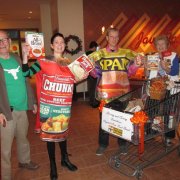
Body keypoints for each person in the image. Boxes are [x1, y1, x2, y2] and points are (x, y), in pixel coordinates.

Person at [22, 33, 92, 180]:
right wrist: (24, 57)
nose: (60, 44)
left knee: (62, 134)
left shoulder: (67, 63)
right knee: (50, 137)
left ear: (64, 46)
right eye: (56, 42)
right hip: (49, 107)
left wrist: (81, 77)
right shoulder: (43, 61)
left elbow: (70, 81)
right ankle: (53, 165)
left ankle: (65, 159)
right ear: (52, 45)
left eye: (62, 42)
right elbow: (26, 73)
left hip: (63, 107)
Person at [88, 27, 143, 156]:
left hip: (123, 93)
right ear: (107, 38)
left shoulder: (125, 53)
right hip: (105, 93)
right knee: (104, 120)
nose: (114, 39)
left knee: (123, 120)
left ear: (119, 38)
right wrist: (90, 68)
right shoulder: (99, 54)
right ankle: (103, 145)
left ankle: (123, 145)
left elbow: (129, 72)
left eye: (116, 37)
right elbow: (95, 74)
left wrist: (137, 64)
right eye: (111, 36)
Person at [0, 30, 39, 180]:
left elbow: (26, 79)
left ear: (9, 42)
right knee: (6, 148)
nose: (2, 43)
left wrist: (32, 101)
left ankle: (24, 161)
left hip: (22, 108)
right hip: (6, 111)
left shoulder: (17, 58)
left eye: (4, 40)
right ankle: (6, 176)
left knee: (23, 138)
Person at [153, 35, 179, 146]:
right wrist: (145, 66)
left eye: (163, 44)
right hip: (155, 88)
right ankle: (153, 132)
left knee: (169, 113)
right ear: (155, 46)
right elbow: (148, 74)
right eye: (158, 44)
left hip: (170, 88)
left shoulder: (173, 56)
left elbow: (174, 72)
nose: (161, 46)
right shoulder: (153, 57)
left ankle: (169, 137)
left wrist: (165, 68)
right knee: (153, 110)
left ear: (167, 45)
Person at [86, 41, 100, 107]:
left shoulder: (86, 53)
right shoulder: (94, 54)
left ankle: (91, 101)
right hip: (94, 73)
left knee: (90, 87)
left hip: (88, 73)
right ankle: (94, 102)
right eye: (96, 47)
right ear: (94, 47)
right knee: (94, 88)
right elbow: (97, 63)